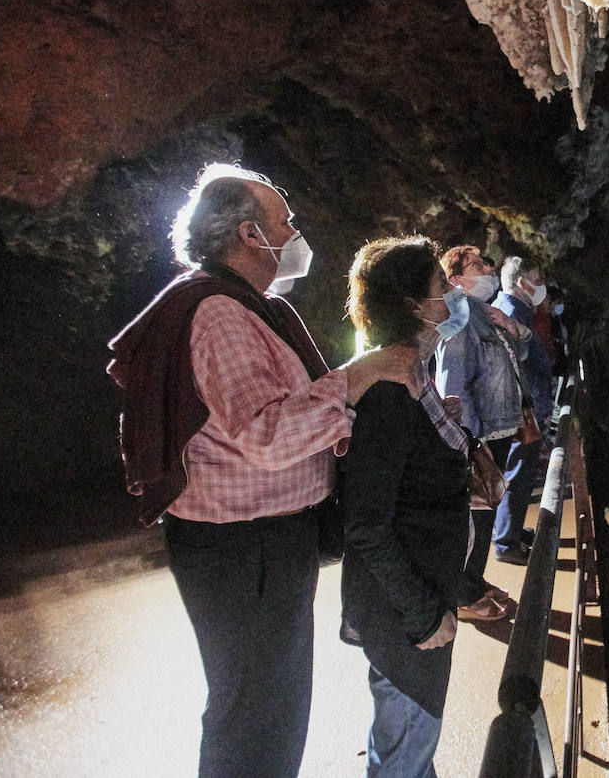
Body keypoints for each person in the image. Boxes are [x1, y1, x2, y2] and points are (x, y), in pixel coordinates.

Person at [107, 163, 415, 778]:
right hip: (244, 548)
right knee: (256, 710)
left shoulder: (253, 307)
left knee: (267, 704)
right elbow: (267, 435)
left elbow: (292, 410)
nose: (293, 231)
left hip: (265, 544)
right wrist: (360, 376)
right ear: (250, 234)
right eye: (283, 221)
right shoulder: (221, 314)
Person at [341, 236, 474, 777]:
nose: (454, 296)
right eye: (442, 287)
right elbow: (367, 525)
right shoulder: (389, 392)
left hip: (416, 597)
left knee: (406, 746)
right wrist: (422, 616)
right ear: (413, 307)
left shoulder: (413, 373)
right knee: (405, 749)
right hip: (403, 613)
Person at [436, 245, 536, 615]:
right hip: (479, 431)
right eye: (477, 265)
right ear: (457, 279)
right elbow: (453, 380)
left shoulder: (483, 311)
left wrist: (513, 328)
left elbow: (516, 356)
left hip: (499, 425)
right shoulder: (459, 313)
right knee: (476, 512)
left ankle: (474, 581)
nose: (488, 269)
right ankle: (463, 594)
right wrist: (466, 436)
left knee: (487, 506)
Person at [490, 255, 555, 564]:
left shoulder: (515, 310)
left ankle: (510, 531)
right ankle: (505, 543)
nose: (540, 286)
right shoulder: (512, 313)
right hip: (522, 407)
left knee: (520, 472)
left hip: (524, 405)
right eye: (537, 279)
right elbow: (527, 361)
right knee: (518, 474)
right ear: (521, 283)